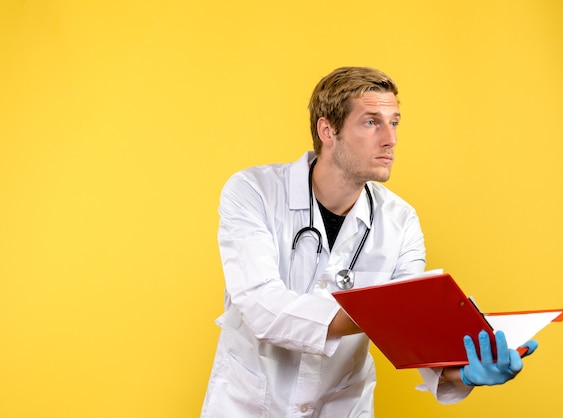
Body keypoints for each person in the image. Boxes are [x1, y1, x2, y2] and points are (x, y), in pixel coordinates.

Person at [199, 66, 538, 417]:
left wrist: (465, 371)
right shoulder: (254, 192)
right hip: (249, 404)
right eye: (371, 122)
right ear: (327, 129)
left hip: (342, 407)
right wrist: (381, 313)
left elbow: (414, 334)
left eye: (394, 122)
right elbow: (261, 306)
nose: (390, 138)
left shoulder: (400, 220)